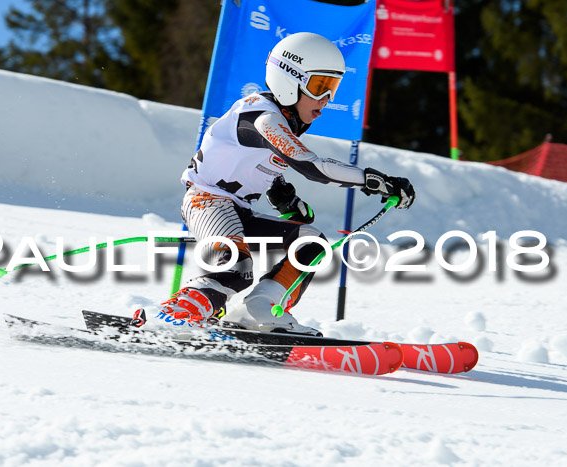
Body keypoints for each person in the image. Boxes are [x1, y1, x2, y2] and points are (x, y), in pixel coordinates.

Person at [141, 32, 415, 335]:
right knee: (235, 269)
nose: (326, 99)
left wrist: (283, 196)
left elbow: (258, 163)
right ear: (289, 81)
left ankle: (258, 310)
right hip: (207, 202)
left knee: (311, 243)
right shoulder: (263, 116)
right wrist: (373, 180)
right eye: (319, 86)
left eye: (332, 88)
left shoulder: (282, 121)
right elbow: (313, 167)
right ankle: (172, 315)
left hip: (237, 209)